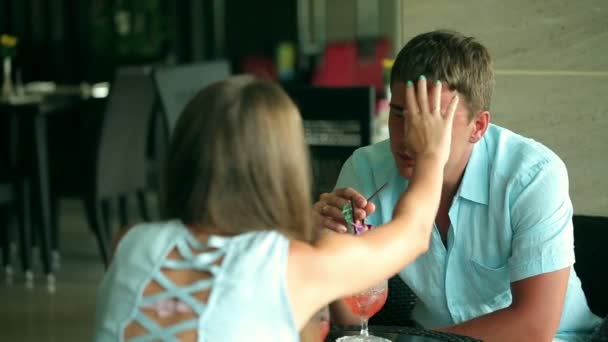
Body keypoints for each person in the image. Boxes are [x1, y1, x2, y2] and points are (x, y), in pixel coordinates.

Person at [93, 74, 458, 341]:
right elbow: (412, 235)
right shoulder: (292, 267)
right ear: (285, 167)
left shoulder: (128, 242)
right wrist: (430, 154)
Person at [316, 30, 603, 341]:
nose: (410, 137)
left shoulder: (533, 175)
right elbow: (352, 322)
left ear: (478, 127)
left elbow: (534, 327)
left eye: (432, 122)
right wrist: (332, 243)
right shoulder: (367, 169)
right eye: (399, 115)